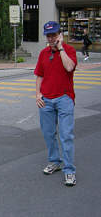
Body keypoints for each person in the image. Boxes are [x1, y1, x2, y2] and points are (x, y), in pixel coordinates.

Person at [34, 21, 77, 187]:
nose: (51, 38)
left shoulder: (70, 51)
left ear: (60, 35)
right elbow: (39, 75)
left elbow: (69, 67)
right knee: (48, 133)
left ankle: (69, 171)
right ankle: (55, 161)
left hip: (65, 98)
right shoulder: (43, 53)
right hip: (46, 100)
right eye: (48, 35)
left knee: (66, 135)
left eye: (54, 35)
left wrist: (60, 49)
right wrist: (38, 94)